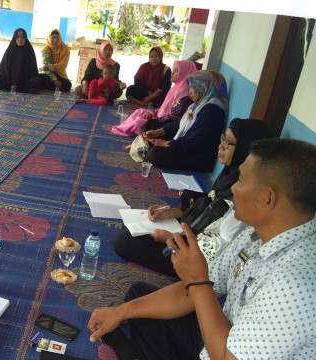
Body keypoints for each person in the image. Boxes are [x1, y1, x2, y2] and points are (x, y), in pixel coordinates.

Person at [90, 138, 316, 360]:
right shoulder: (256, 233)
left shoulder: (295, 285)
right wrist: (120, 312)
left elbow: (200, 291)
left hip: (227, 354)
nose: (234, 188)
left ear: (268, 197)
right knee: (138, 298)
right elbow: (192, 292)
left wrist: (197, 281)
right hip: (226, 337)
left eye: (241, 180)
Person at [114, 119, 272, 277]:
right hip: (194, 233)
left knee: (124, 240)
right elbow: (211, 204)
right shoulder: (230, 176)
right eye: (223, 138)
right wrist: (178, 212)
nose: (221, 146)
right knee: (132, 228)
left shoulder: (244, 198)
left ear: (245, 150)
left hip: (199, 260)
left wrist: (173, 240)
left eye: (229, 143)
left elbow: (219, 248)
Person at [143, 70, 228, 172]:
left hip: (196, 156)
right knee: (152, 129)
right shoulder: (198, 105)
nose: (190, 91)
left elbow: (194, 141)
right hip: (187, 144)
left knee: (154, 154)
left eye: (194, 87)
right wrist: (158, 132)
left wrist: (165, 144)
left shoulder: (212, 110)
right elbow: (180, 123)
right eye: (190, 87)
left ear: (205, 86)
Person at [111, 60, 197, 137]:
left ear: (185, 73)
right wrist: (152, 113)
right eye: (173, 70)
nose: (172, 73)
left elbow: (173, 117)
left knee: (139, 122)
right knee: (140, 111)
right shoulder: (177, 87)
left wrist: (154, 117)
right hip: (161, 117)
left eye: (176, 71)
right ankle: (129, 127)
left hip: (165, 125)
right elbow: (138, 81)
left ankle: (133, 128)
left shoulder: (185, 92)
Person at [0, 28, 41, 93]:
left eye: (22, 37)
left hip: (25, 80)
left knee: (36, 80)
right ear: (14, 38)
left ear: (25, 38)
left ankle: (23, 87)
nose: (20, 39)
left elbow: (33, 69)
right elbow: (3, 68)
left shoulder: (29, 50)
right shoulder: (10, 50)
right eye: (17, 37)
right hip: (9, 80)